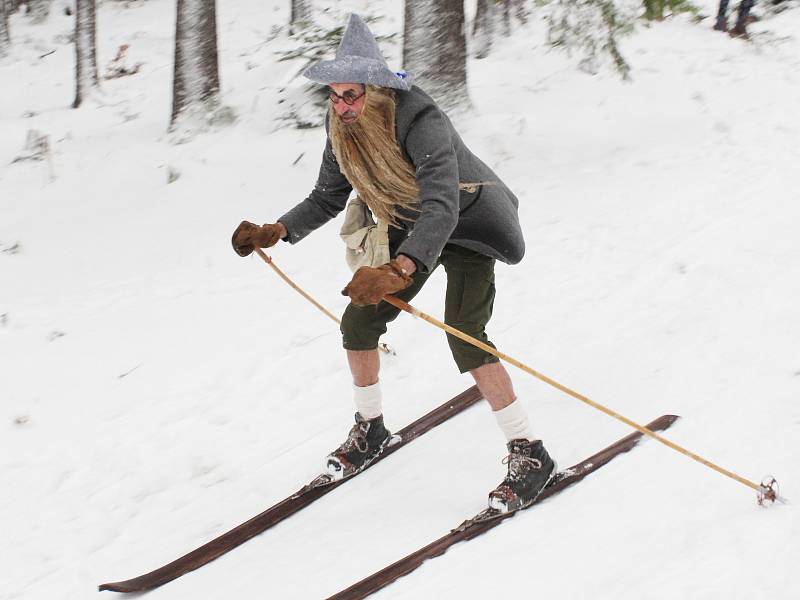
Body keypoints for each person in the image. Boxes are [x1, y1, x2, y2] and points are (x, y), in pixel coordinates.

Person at [232, 14, 556, 512]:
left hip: (468, 226)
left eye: (352, 94)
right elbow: (327, 194)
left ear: (378, 89)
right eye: (335, 95)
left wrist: (400, 268)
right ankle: (371, 430)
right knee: (359, 322)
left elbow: (442, 205)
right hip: (411, 225)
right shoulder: (342, 127)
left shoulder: (420, 119)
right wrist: (279, 230)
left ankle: (530, 453)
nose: (341, 105)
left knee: (465, 332)